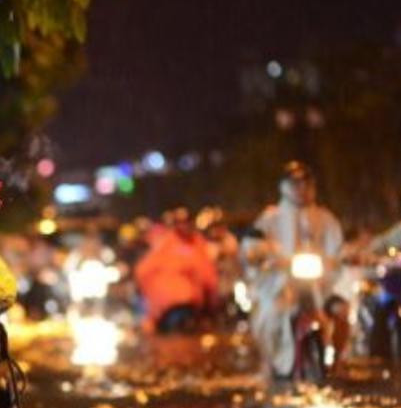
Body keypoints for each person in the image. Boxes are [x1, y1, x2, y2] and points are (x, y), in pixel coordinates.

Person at [242, 161, 344, 378]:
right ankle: (271, 360)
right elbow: (251, 244)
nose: (301, 187)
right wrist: (259, 254)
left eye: (305, 182)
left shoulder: (326, 218)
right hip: (281, 285)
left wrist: (345, 258)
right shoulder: (271, 217)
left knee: (342, 311)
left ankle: (338, 361)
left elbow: (339, 250)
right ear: (284, 186)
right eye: (295, 183)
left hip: (320, 284)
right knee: (270, 316)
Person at [133, 207, 218, 333]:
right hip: (181, 305)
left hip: (164, 309)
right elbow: (208, 279)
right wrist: (212, 308)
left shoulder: (165, 243)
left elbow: (142, 272)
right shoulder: (193, 245)